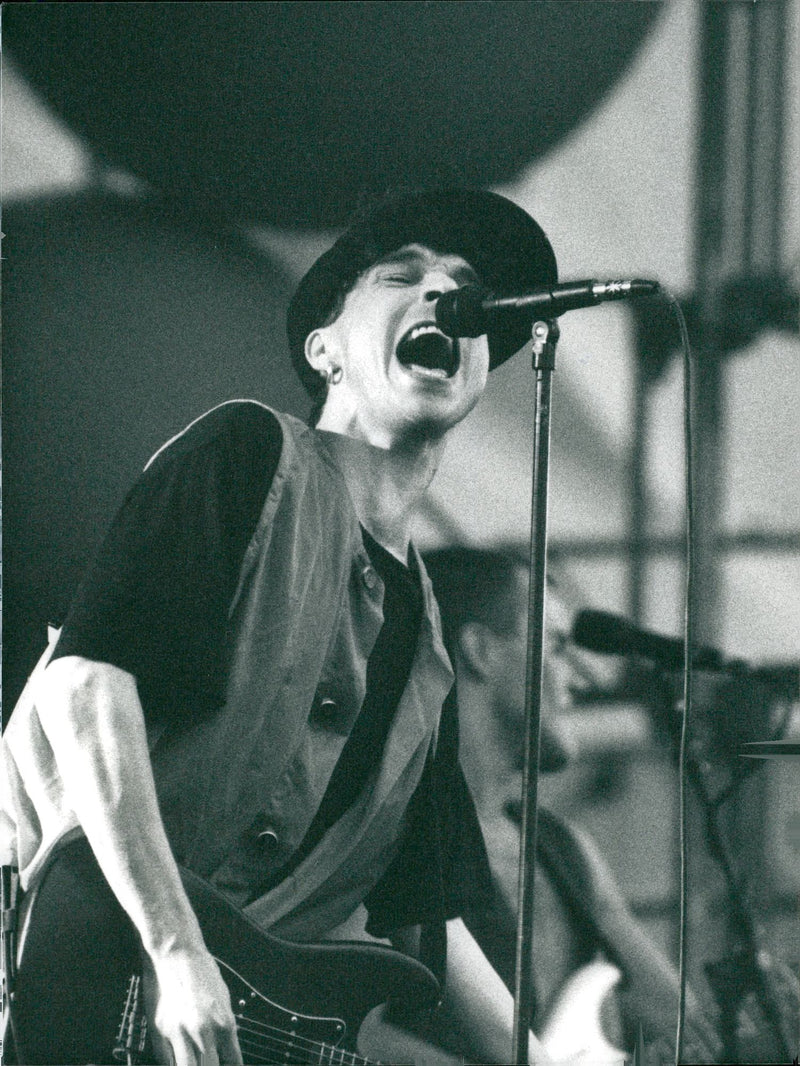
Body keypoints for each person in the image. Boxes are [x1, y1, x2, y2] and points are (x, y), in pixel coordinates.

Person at [0, 187, 575, 1066]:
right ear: (325, 351)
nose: (441, 295)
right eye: (402, 276)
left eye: (463, 287)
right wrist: (176, 947)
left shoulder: (426, 648)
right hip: (62, 961)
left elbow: (431, 919)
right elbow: (89, 683)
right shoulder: (249, 457)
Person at [423, 546, 723, 1064]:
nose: (581, 678)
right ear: (480, 650)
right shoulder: (385, 835)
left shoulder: (562, 847)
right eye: (558, 647)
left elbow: (678, 1023)